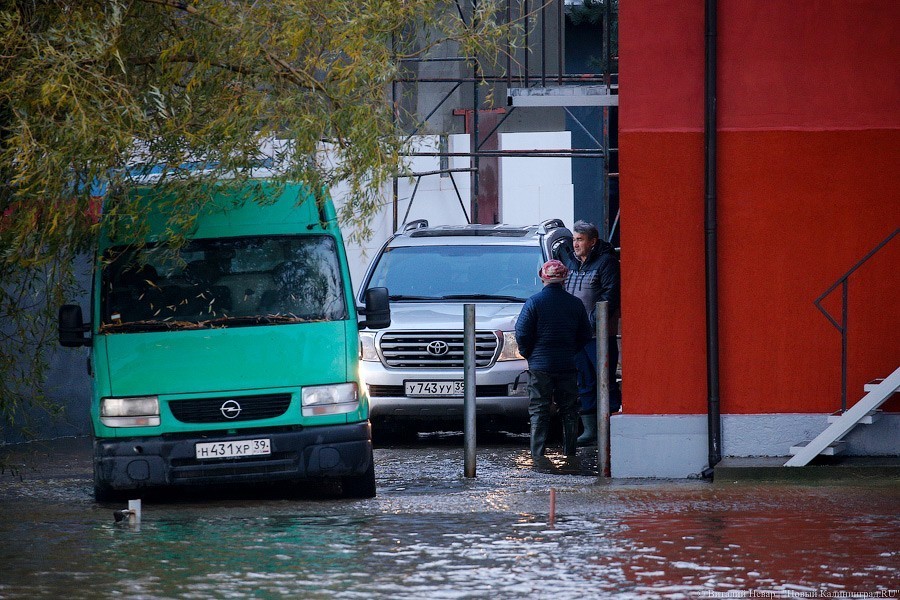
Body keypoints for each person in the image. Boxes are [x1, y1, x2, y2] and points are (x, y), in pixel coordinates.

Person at [515, 259, 591, 471]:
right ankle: (570, 453)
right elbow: (585, 334)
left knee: (539, 410)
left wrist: (529, 354)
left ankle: (537, 455)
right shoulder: (575, 304)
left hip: (540, 366)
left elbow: (522, 332)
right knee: (569, 411)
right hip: (567, 364)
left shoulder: (534, 302)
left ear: (543, 277)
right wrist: (570, 351)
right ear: (564, 278)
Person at [561, 220, 622, 446]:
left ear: (592, 241)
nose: (575, 244)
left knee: (604, 380)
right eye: (574, 239)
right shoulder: (571, 262)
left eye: (580, 239)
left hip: (598, 336)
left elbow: (610, 295)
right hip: (576, 336)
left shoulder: (606, 263)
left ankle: (610, 427)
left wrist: (591, 321)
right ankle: (590, 431)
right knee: (584, 381)